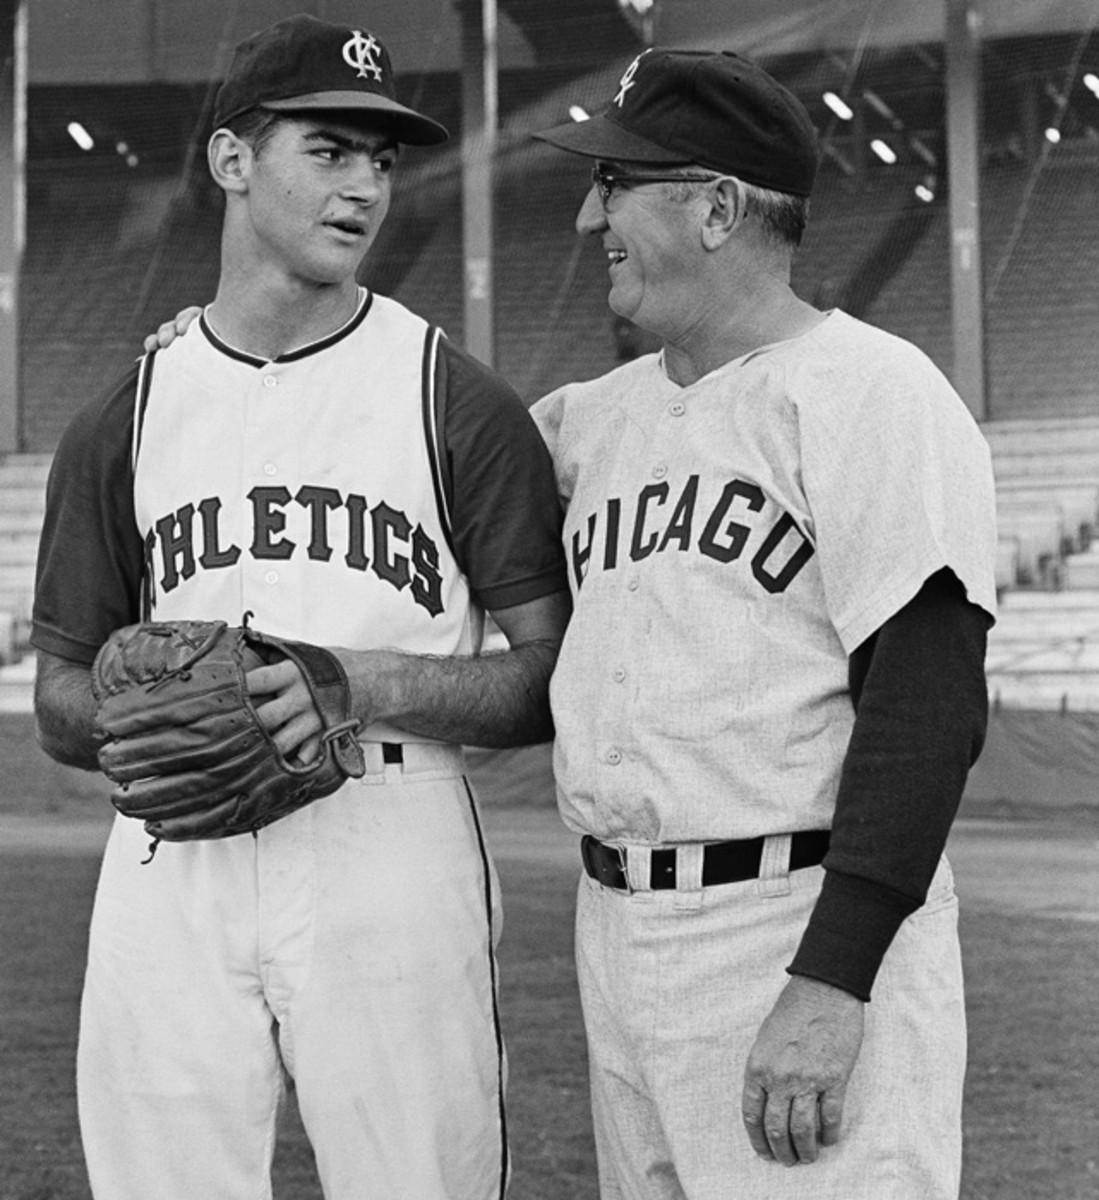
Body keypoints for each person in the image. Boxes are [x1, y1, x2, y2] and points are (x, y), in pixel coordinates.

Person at [31, 14, 569, 1200]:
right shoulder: (122, 417)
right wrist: (155, 714)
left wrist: (353, 679)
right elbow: (58, 697)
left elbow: (548, 679)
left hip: (388, 823)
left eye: (382, 160)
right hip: (175, 845)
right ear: (233, 161)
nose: (366, 185)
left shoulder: (454, 400)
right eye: (329, 150)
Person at [526, 48, 997, 1199]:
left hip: (788, 926)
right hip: (615, 924)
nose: (591, 214)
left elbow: (926, 705)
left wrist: (832, 981)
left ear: (718, 206)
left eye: (617, 184)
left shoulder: (875, 393)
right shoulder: (588, 422)